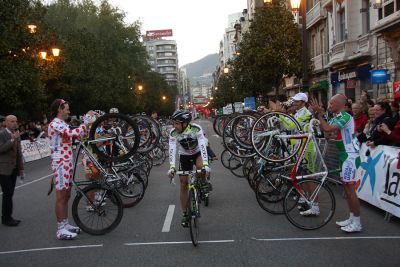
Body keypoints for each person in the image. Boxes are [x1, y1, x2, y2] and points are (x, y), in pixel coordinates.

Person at [310, 94, 362, 233]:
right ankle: (352, 217)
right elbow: (326, 133)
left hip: (350, 156)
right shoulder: (336, 117)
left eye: (332, 104)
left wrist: (320, 115)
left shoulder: (345, 116)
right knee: (346, 188)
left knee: (350, 190)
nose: (330, 106)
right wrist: (320, 116)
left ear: (340, 104)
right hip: (343, 154)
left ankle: (357, 222)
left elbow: (327, 129)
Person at [48, 99, 92, 240]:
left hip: (67, 162)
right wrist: (86, 122)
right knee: (61, 196)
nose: (69, 111)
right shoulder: (55, 123)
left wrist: (85, 129)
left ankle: (65, 224)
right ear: (60, 109)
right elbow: (72, 133)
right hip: (60, 162)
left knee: (66, 195)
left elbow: (78, 135)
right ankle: (61, 229)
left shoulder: (62, 123)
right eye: (66, 109)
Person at [167, 109, 210, 227]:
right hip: (184, 155)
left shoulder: (196, 129)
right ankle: (185, 214)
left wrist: (206, 164)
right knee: (183, 184)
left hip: (197, 153)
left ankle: (203, 181)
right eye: (173, 123)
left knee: (200, 167)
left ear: (185, 123)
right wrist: (172, 167)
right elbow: (172, 149)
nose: (174, 126)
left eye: (176, 123)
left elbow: (202, 146)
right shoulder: (173, 133)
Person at [0, 115, 24, 226]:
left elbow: (19, 152)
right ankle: (6, 218)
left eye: (16, 121)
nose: (15, 123)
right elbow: (1, 149)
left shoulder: (16, 134)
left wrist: (21, 168)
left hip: (13, 168)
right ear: (5, 122)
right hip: (3, 169)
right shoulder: (2, 134)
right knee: (7, 193)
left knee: (10, 193)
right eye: (12, 121)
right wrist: (12, 139)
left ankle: (8, 216)